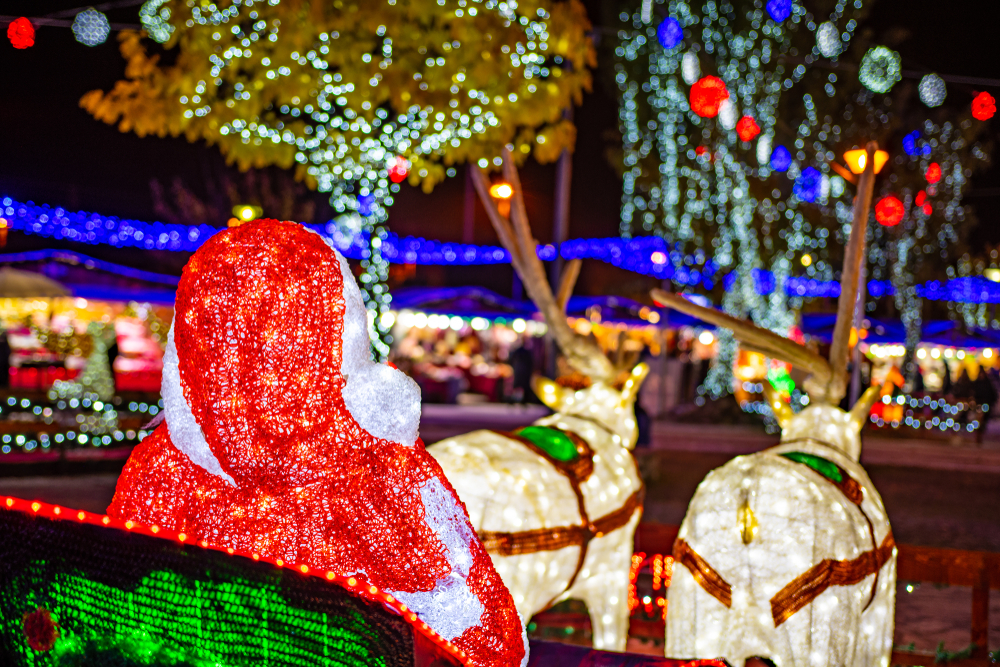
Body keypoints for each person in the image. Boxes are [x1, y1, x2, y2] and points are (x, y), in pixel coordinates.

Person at [973, 364, 998, 444]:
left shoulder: (986, 382)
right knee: (979, 421)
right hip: (979, 405)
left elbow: (992, 394)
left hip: (985, 404)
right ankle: (978, 436)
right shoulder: (978, 382)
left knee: (982, 421)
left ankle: (980, 435)